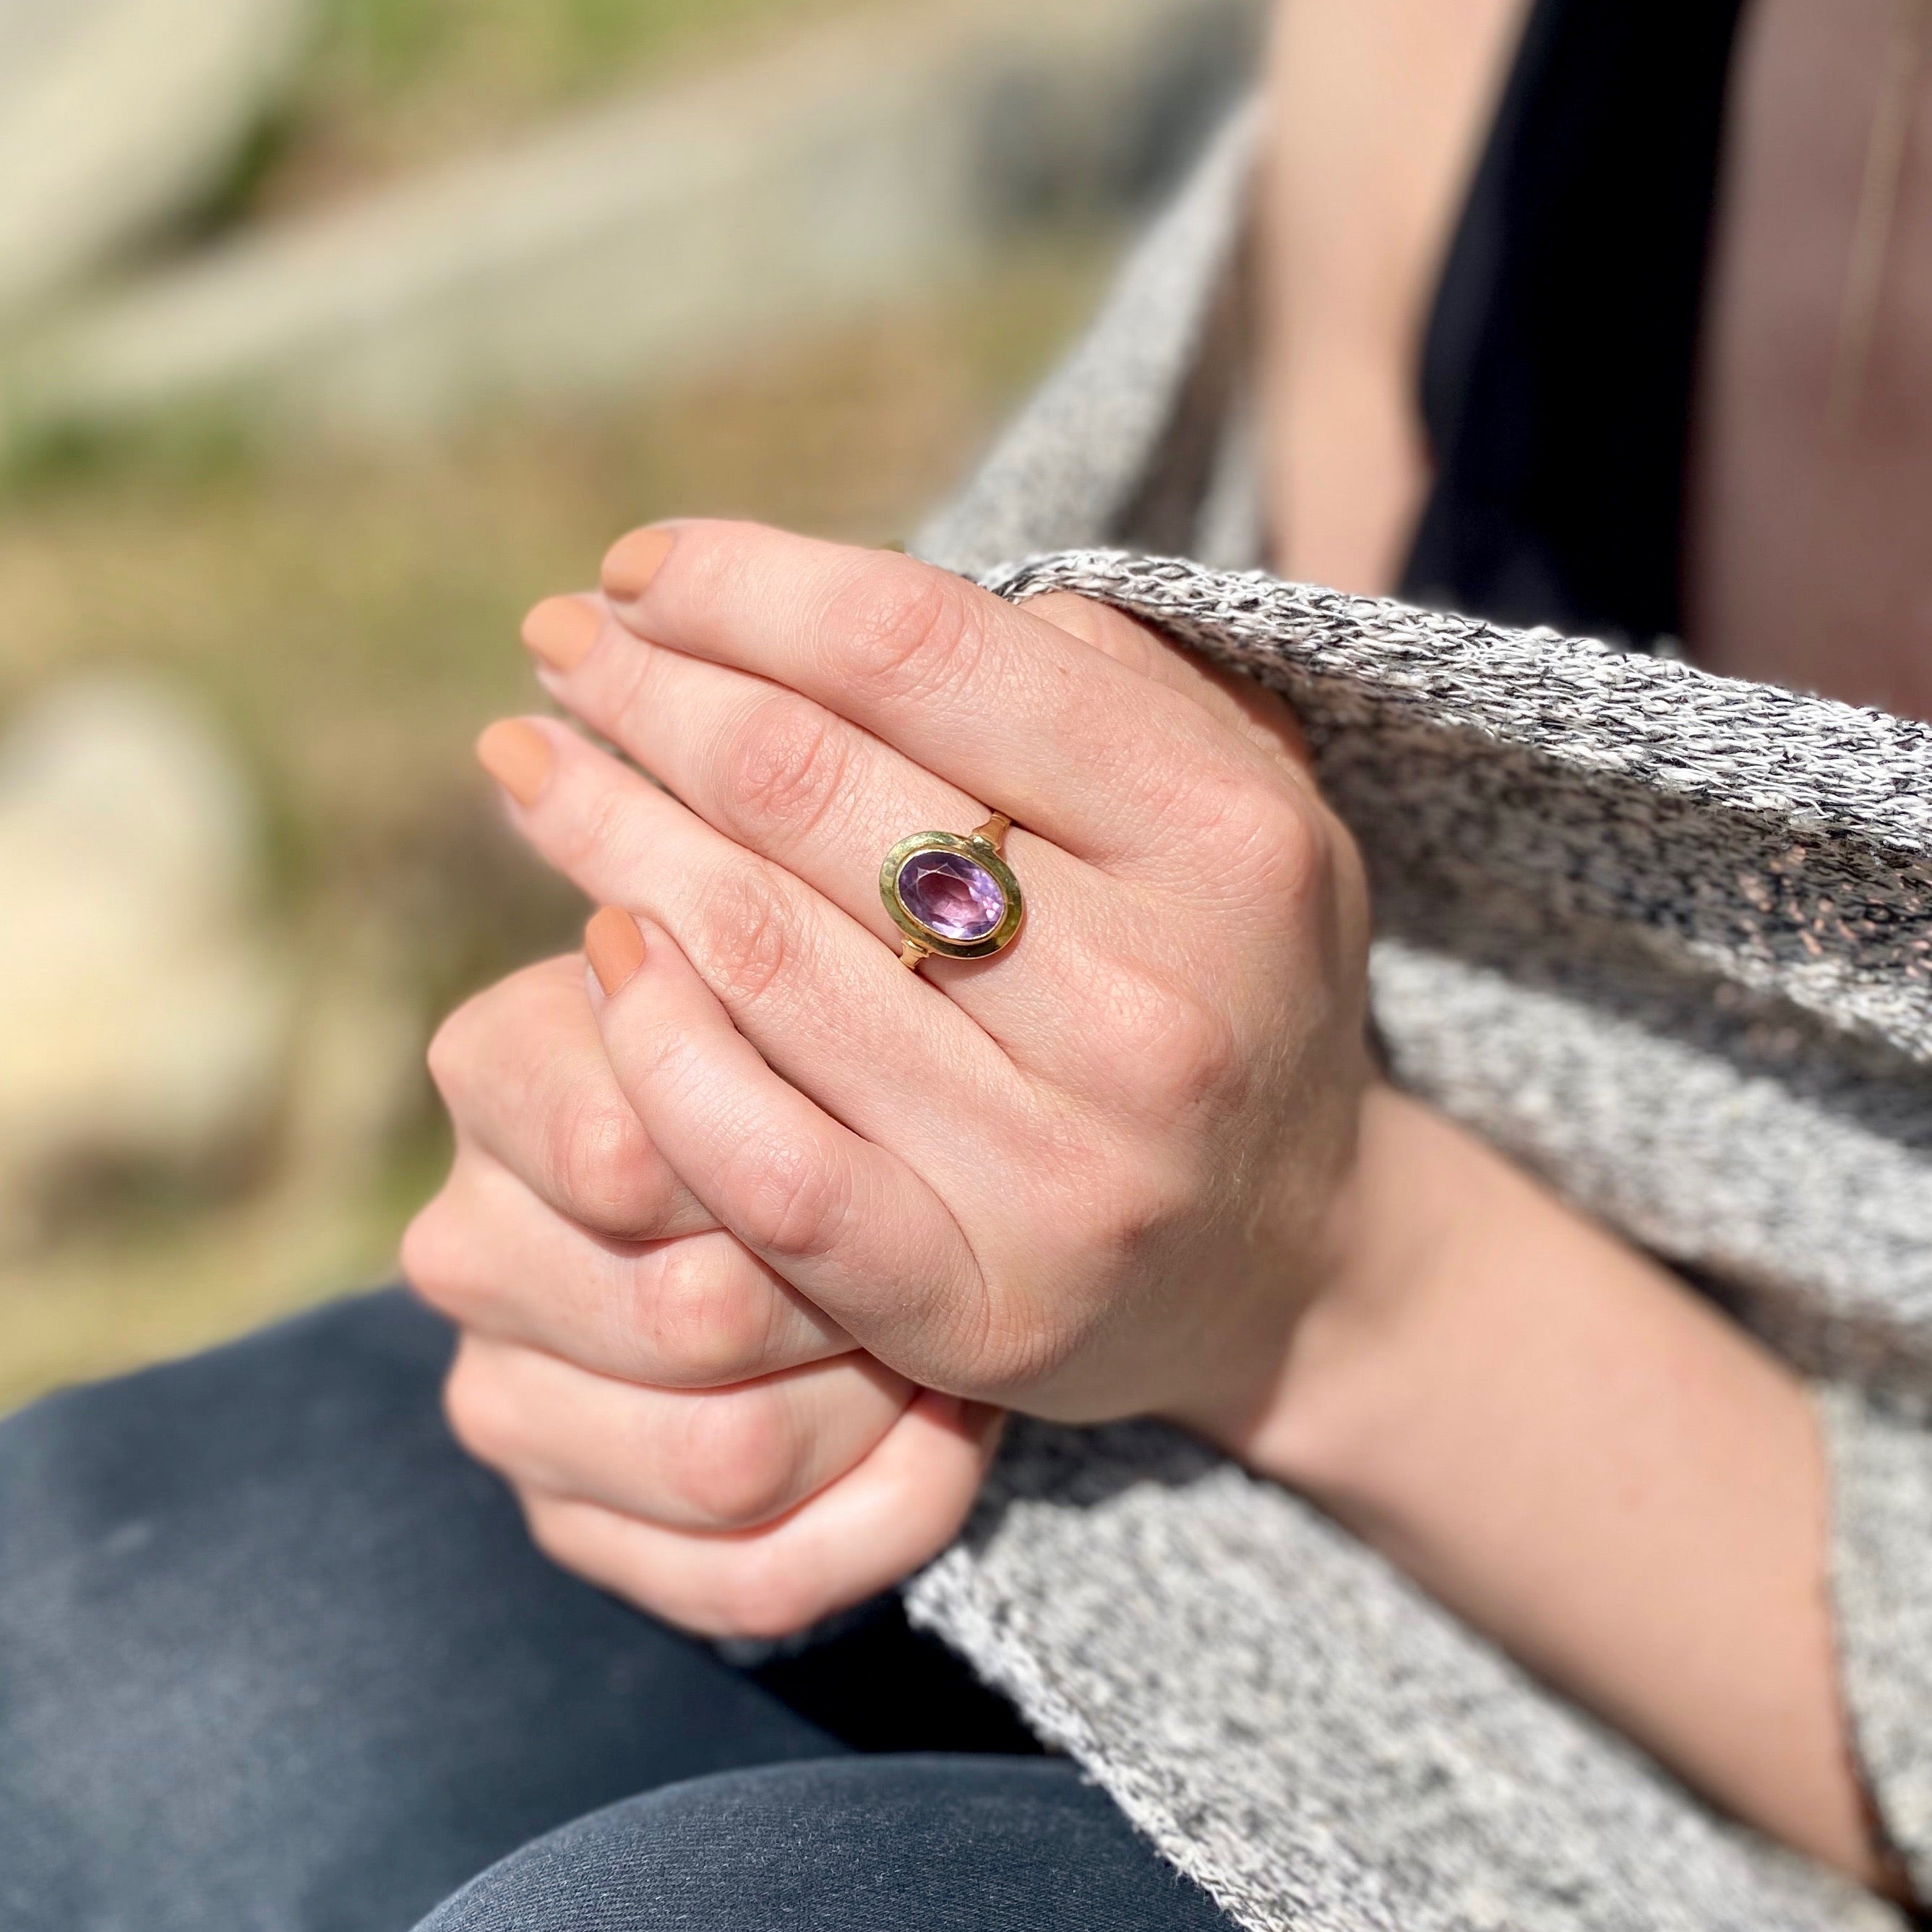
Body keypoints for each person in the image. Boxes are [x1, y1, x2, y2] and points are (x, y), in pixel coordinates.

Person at [6, 0, 1932, 1925]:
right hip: (1278, 1509)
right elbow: (1297, 750)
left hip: (1703, 1657)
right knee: (95, 1629)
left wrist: (1335, 1277)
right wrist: (776, 1130)